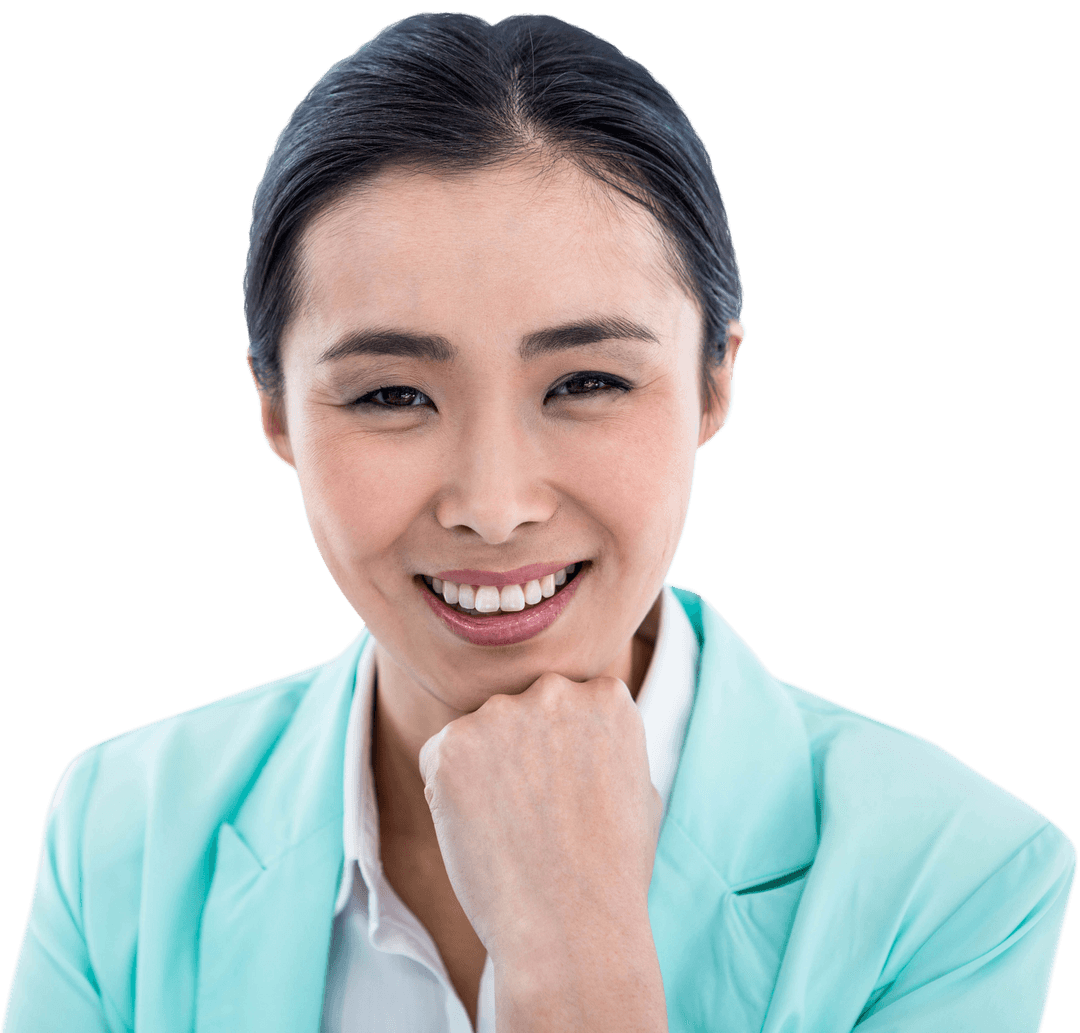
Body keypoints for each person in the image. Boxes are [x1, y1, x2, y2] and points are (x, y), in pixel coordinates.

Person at [3, 11, 1074, 1033]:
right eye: (391, 395)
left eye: (588, 382)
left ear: (713, 385)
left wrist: (572, 948)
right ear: (277, 411)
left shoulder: (958, 876)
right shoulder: (123, 834)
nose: (494, 506)